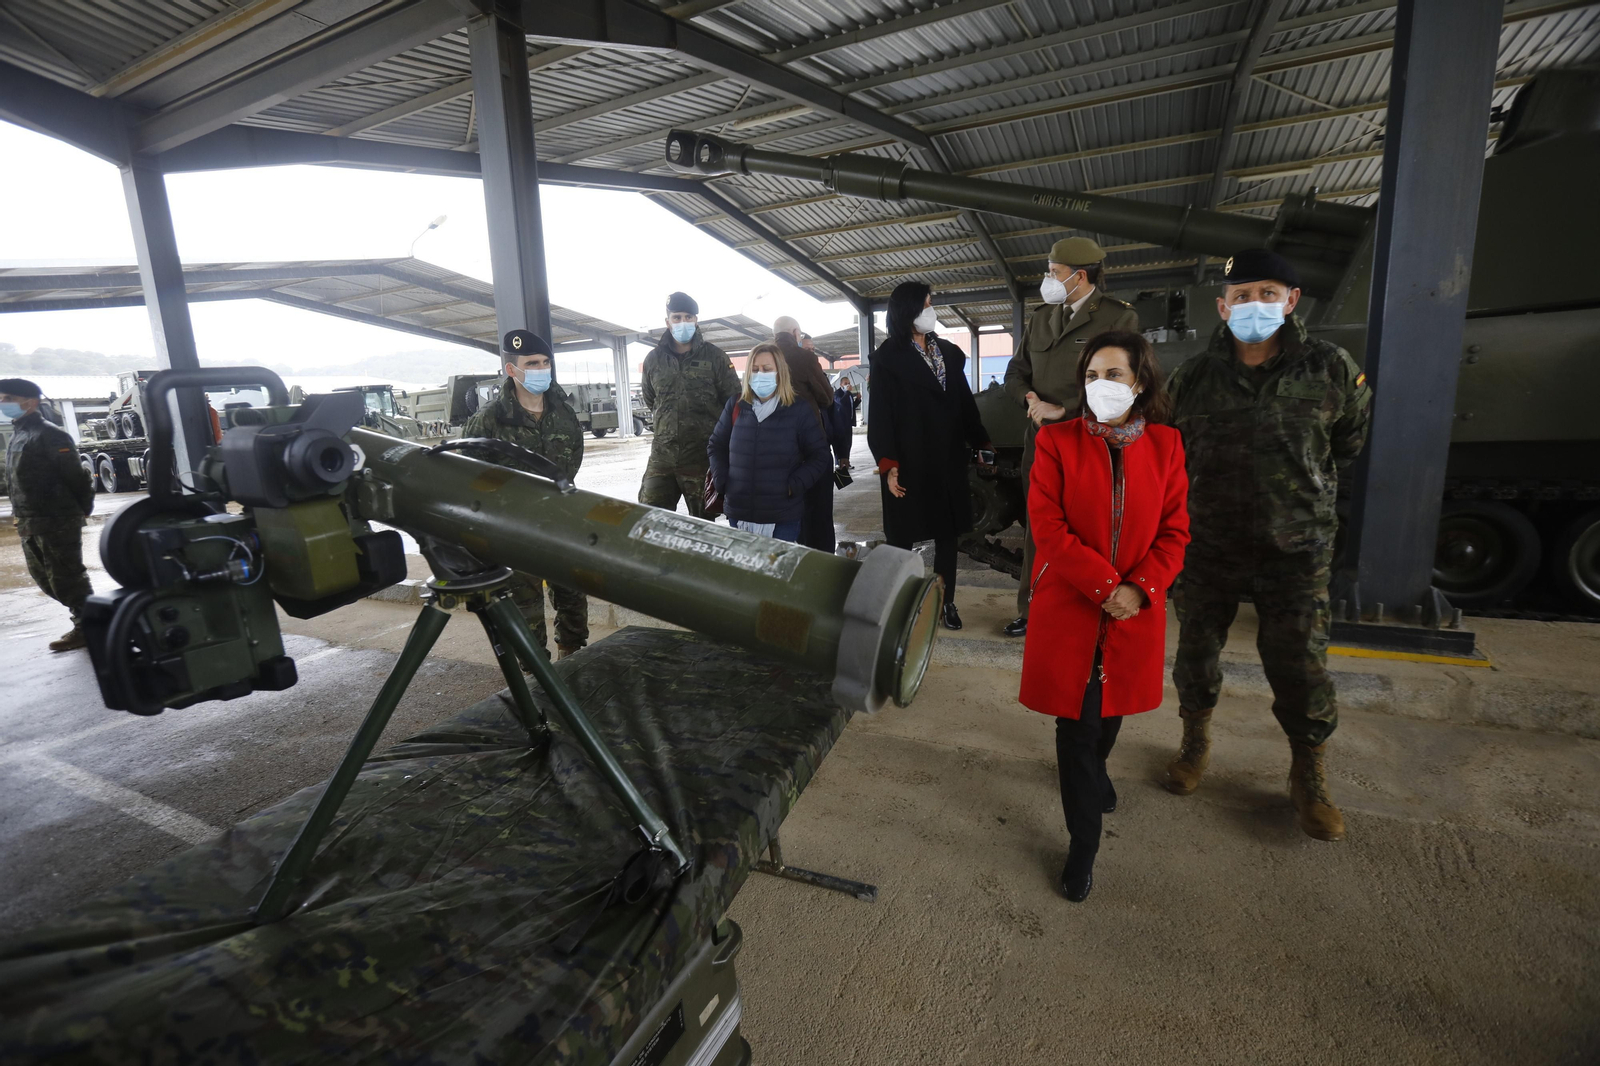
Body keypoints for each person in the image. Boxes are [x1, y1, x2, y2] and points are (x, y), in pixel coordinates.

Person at [1164, 249, 1372, 841]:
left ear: (1292, 300)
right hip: (1209, 544)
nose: (1255, 304)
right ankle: (1194, 746)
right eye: (1244, 294)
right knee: (1196, 656)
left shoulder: (1331, 368)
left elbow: (1349, 441)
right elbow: (1170, 456)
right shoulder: (1193, 377)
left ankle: (1309, 777)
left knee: (1301, 666)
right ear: (1223, 305)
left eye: (1269, 292)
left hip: (1297, 549)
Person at [1019, 333, 1190, 903]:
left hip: (1133, 610)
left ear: (1139, 383)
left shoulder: (1167, 446)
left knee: (1109, 713)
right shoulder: (1057, 442)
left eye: (1114, 375)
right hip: (1071, 603)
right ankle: (1082, 846)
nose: (1101, 386)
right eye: (1092, 375)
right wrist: (1104, 585)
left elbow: (1174, 532)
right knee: (1077, 724)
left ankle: (1097, 772)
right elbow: (1048, 528)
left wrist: (1140, 589)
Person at [1001, 237, 1139, 638]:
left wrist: (1070, 411)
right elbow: (1016, 371)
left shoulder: (1118, 319)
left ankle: (1092, 605)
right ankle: (1031, 607)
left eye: (1054, 272)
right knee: (1038, 528)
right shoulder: (1042, 318)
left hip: (1091, 444)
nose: (1048, 279)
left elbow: (1123, 384)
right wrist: (1028, 397)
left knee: (1088, 529)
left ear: (1079, 276)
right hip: (1041, 442)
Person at [866, 282, 992, 630]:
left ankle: (945, 601)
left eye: (931, 303)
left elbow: (965, 403)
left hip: (947, 458)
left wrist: (981, 441)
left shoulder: (949, 353)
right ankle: (902, 605)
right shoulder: (888, 359)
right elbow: (880, 417)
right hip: (908, 460)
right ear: (907, 311)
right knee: (903, 538)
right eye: (925, 304)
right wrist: (888, 465)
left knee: (947, 534)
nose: (931, 310)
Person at [461, 330, 588, 659]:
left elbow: (572, 460)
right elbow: (470, 479)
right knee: (525, 616)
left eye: (546, 362)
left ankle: (570, 660)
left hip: (560, 522)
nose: (542, 369)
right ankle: (536, 681)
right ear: (511, 370)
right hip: (515, 531)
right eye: (532, 363)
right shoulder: (488, 420)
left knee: (573, 601)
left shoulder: (564, 412)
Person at [2, 378, 95, 652]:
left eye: (5, 398)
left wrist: (78, 512)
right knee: (43, 577)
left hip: (56, 519)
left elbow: (76, 478)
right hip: (30, 520)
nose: (1, 404)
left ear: (29, 403)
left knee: (67, 577)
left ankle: (90, 627)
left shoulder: (50, 434)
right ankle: (91, 621)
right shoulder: (19, 434)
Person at [706, 342, 832, 542]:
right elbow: (716, 445)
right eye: (755, 370)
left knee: (777, 572)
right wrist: (723, 481)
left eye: (767, 369)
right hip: (739, 513)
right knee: (744, 571)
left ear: (779, 372)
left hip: (782, 516)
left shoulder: (798, 409)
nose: (760, 374)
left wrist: (794, 485)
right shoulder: (736, 406)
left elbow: (819, 455)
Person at [639, 292, 740, 517]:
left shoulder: (715, 357)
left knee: (703, 523)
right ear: (667, 322)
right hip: (662, 455)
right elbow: (651, 399)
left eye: (688, 317)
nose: (682, 322)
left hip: (701, 456)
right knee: (649, 518)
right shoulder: (653, 359)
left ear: (696, 320)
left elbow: (734, 402)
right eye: (676, 318)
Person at [774, 315, 849, 552]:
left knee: (783, 511)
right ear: (795, 332)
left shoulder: (762, 356)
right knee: (819, 513)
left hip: (773, 448)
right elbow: (827, 398)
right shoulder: (804, 358)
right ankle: (822, 563)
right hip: (809, 447)